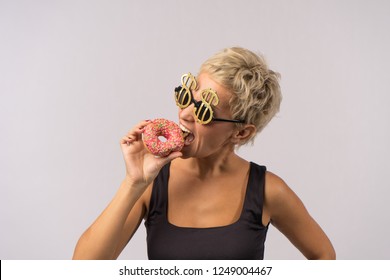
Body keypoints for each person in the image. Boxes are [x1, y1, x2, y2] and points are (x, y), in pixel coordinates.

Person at [72, 47, 336, 260]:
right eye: (186, 97)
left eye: (204, 111)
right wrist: (133, 182)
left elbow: (323, 254)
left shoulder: (267, 190)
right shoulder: (152, 184)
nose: (185, 114)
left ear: (241, 133)